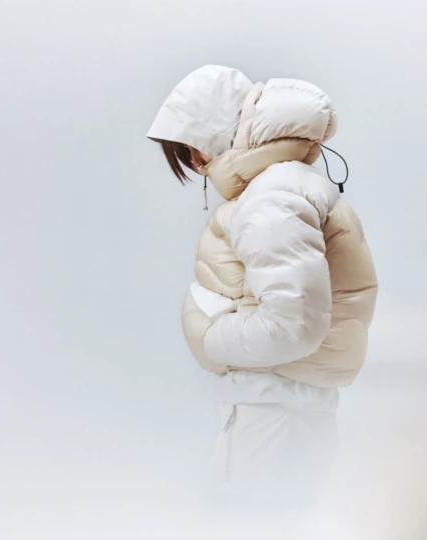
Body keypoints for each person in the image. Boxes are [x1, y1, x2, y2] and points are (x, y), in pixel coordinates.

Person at [146, 65, 378, 511]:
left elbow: (294, 326)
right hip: (284, 408)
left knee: (249, 521)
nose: (195, 163)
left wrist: (211, 339)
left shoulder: (273, 197)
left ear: (213, 132)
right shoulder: (287, 187)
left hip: (272, 414)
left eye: (190, 149)